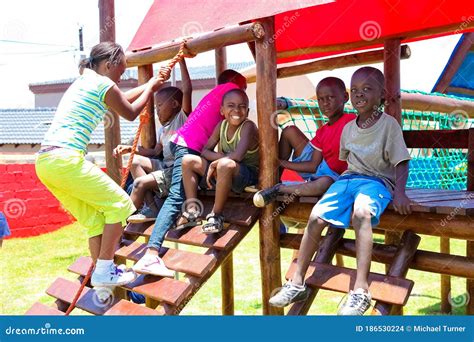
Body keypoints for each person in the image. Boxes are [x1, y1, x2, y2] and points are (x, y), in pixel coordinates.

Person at [268, 67, 412, 315]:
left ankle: (360, 290)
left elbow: (401, 161)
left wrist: (400, 193)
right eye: (355, 90)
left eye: (367, 89)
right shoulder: (348, 129)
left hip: (376, 181)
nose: (359, 95)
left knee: (361, 214)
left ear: (382, 94)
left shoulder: (389, 125)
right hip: (348, 179)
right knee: (315, 217)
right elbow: (347, 163)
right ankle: (298, 281)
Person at [35, 42, 170, 288]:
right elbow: (129, 112)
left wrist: (149, 85)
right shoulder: (103, 83)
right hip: (66, 159)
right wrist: (150, 87)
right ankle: (105, 270)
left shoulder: (86, 81)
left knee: (96, 221)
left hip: (46, 162)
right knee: (120, 204)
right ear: (109, 65)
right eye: (121, 70)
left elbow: (117, 100)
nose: (122, 75)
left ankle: (101, 276)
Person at [132, 70, 247, 277]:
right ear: (235, 84)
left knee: (180, 189)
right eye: (242, 89)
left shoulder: (215, 97)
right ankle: (151, 253)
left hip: (183, 144)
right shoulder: (232, 91)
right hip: (188, 147)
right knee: (176, 196)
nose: (241, 97)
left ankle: (188, 212)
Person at [253, 77, 356, 207]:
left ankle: (279, 188)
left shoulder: (351, 121)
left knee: (325, 183)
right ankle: (273, 177)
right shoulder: (322, 131)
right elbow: (313, 165)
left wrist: (283, 163)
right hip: (319, 168)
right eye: (320, 99)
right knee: (289, 130)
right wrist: (281, 163)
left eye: (330, 97)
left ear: (345, 97)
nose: (325, 103)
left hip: (336, 177)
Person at [113, 59, 192, 223]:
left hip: (176, 172)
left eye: (160, 105)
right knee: (133, 162)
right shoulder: (162, 129)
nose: (157, 111)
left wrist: (182, 61)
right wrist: (130, 149)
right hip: (165, 167)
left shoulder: (182, 118)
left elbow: (187, 89)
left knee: (140, 183)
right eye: (156, 107)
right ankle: (153, 207)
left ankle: (146, 209)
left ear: (175, 104)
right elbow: (155, 152)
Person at [180, 89, 258, 234]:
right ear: (222, 110)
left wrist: (217, 162)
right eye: (231, 105)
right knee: (188, 160)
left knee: (225, 164)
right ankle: (192, 210)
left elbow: (239, 156)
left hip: (247, 177)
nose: (236, 110)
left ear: (247, 111)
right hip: (224, 172)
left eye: (242, 106)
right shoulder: (221, 126)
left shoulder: (248, 126)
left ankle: (216, 215)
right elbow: (204, 151)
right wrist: (219, 161)